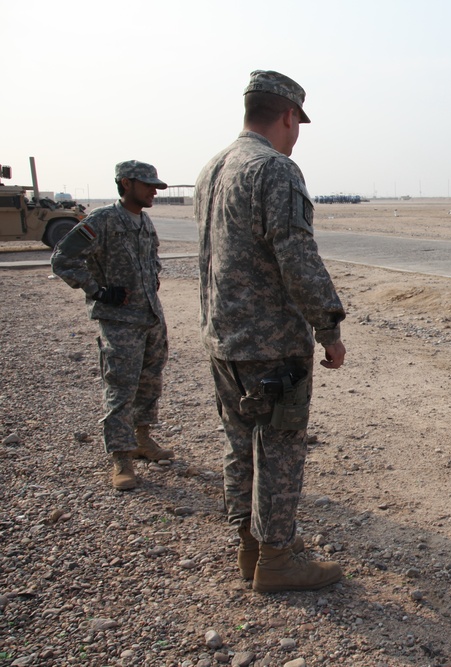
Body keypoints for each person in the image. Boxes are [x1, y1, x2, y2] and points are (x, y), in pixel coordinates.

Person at [194, 70, 346, 592]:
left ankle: (251, 547)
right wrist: (328, 326)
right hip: (271, 346)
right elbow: (297, 256)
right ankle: (277, 561)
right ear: (287, 116)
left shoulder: (212, 168)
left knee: (240, 445)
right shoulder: (275, 170)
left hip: (223, 338)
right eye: (298, 122)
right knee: (278, 450)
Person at [51, 160, 173, 491]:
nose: (153, 191)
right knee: (120, 387)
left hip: (150, 316)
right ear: (125, 183)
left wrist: (154, 280)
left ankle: (141, 438)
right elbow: (63, 259)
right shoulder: (102, 221)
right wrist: (98, 290)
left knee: (149, 383)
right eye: (147, 185)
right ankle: (121, 457)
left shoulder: (145, 221)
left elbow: (154, 259)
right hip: (119, 322)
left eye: (155, 186)